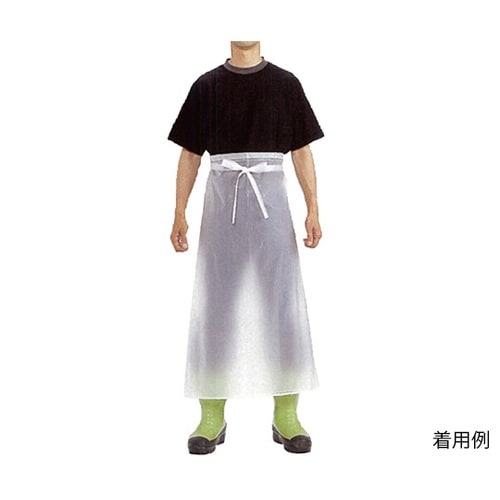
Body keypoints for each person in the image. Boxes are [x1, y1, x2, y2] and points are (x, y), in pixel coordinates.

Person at [168, 41, 324, 454]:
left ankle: (286, 412)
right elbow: (190, 154)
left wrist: (313, 208)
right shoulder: (206, 86)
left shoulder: (285, 85)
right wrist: (179, 211)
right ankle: (211, 414)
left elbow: (301, 150)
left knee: (282, 307)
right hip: (223, 205)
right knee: (216, 307)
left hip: (272, 206)